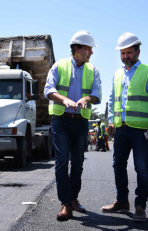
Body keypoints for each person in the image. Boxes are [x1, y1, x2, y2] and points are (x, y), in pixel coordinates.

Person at [101, 33, 148, 222]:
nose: (125, 56)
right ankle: (122, 201)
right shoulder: (117, 75)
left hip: (141, 130)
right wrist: (111, 121)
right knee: (118, 165)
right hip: (121, 129)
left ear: (138, 51)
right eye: (122, 53)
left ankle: (140, 206)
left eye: (129, 52)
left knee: (141, 168)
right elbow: (113, 101)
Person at [44, 30, 102, 220]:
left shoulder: (92, 70)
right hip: (61, 120)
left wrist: (86, 98)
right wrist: (64, 100)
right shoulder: (59, 66)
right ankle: (65, 204)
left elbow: (97, 93)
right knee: (62, 162)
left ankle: (73, 199)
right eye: (88, 49)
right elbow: (49, 90)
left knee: (77, 163)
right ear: (77, 49)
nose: (91, 53)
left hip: (80, 122)